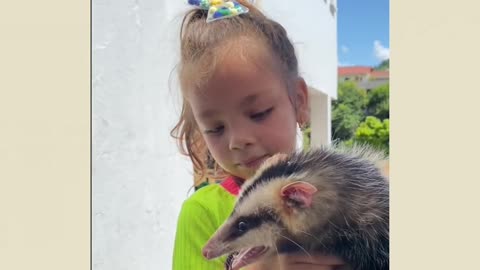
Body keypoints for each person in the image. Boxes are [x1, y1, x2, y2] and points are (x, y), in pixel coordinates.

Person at [171, 1, 345, 269]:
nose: (238, 140)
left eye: (259, 113)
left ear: (298, 101)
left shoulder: (339, 193)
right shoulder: (202, 213)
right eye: (216, 128)